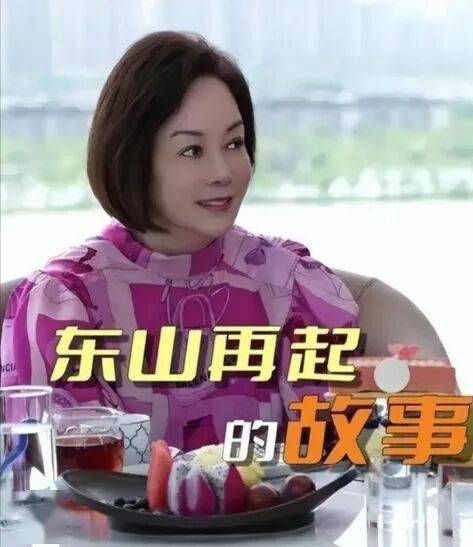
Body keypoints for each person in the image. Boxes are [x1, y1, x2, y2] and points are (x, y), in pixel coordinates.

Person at [0, 31, 358, 451]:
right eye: (192, 151)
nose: (223, 172)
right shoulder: (66, 303)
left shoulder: (289, 285)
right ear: (133, 157)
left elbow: (338, 455)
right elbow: (66, 476)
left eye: (234, 143)